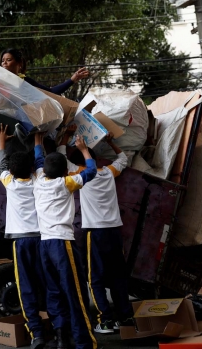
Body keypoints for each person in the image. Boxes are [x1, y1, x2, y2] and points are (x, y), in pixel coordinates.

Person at [59, 127, 134, 334]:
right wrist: (110, 142)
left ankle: (106, 321)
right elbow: (123, 158)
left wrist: (67, 136)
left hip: (95, 233)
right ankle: (126, 316)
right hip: (114, 232)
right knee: (118, 276)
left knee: (95, 278)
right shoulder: (108, 172)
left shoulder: (80, 174)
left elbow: (60, 156)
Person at [34, 133, 98, 349]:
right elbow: (91, 172)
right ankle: (83, 342)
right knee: (76, 293)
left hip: (45, 245)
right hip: (63, 244)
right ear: (64, 172)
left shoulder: (38, 181)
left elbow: (37, 160)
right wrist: (83, 149)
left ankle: (62, 338)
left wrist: (37, 141)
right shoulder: (66, 183)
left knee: (54, 292)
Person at [0, 124, 48, 349]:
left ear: (13, 172)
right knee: (45, 282)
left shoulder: (10, 183)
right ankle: (54, 326)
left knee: (25, 285)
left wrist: (2, 141)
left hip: (21, 242)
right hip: (42, 239)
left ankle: (37, 333)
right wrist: (38, 140)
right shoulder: (38, 180)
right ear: (31, 170)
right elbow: (40, 161)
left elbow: (1, 164)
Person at [0, 48, 89, 95]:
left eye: (8, 60)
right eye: (3, 60)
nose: (4, 63)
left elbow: (51, 92)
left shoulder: (26, 82)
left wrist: (72, 79)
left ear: (19, 63)